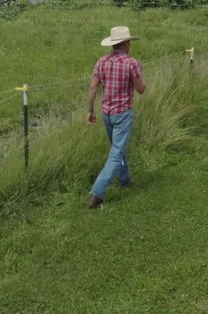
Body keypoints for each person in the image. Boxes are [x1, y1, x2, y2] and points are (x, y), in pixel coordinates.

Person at [86, 26, 147, 209]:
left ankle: (124, 180)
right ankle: (97, 193)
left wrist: (90, 111)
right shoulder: (132, 63)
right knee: (116, 154)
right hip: (123, 113)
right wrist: (141, 73)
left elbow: (93, 88)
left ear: (114, 44)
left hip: (107, 114)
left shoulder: (101, 61)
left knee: (117, 149)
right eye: (130, 42)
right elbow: (141, 89)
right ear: (126, 43)